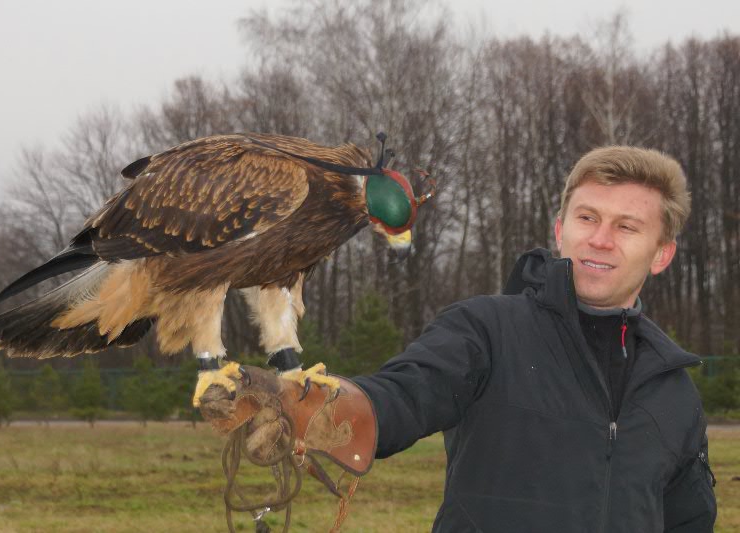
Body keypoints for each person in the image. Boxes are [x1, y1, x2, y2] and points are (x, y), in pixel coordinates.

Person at [201, 146, 718, 532]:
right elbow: (405, 392)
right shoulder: (487, 330)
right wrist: (322, 408)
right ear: (560, 230)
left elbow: (689, 521)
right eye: (588, 218)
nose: (600, 239)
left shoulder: (672, 390)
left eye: (627, 227)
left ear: (661, 254)